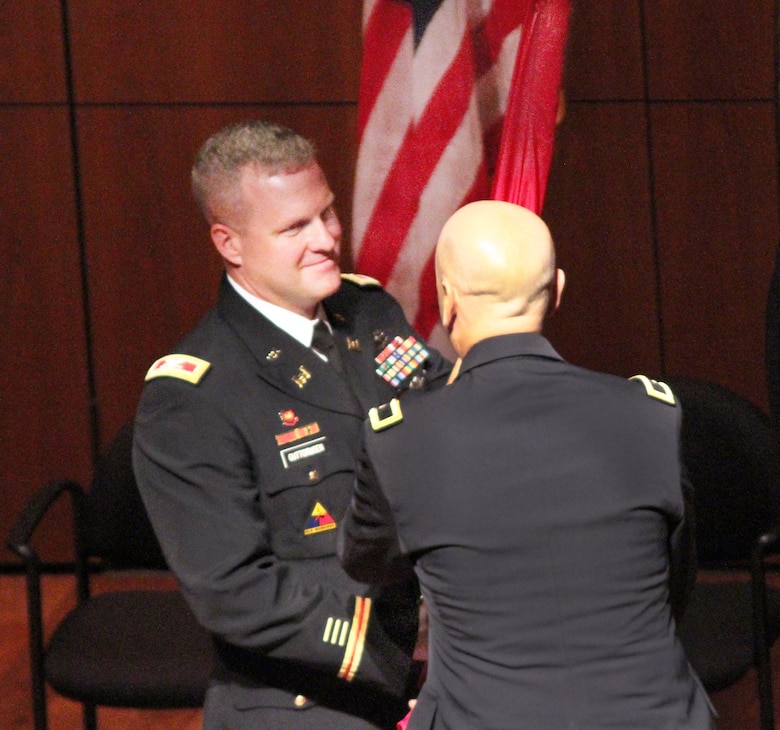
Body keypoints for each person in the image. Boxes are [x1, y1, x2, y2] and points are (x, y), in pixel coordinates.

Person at [338, 200, 715, 730]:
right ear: (557, 290)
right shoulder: (650, 413)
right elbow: (673, 579)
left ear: (447, 301)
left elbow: (365, 561)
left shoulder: (399, 437)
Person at [132, 119, 451, 730]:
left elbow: (451, 418)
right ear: (230, 244)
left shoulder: (367, 310)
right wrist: (389, 646)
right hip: (318, 687)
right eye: (294, 227)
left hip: (445, 661)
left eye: (327, 214)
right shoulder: (193, 394)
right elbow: (232, 591)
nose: (328, 238)